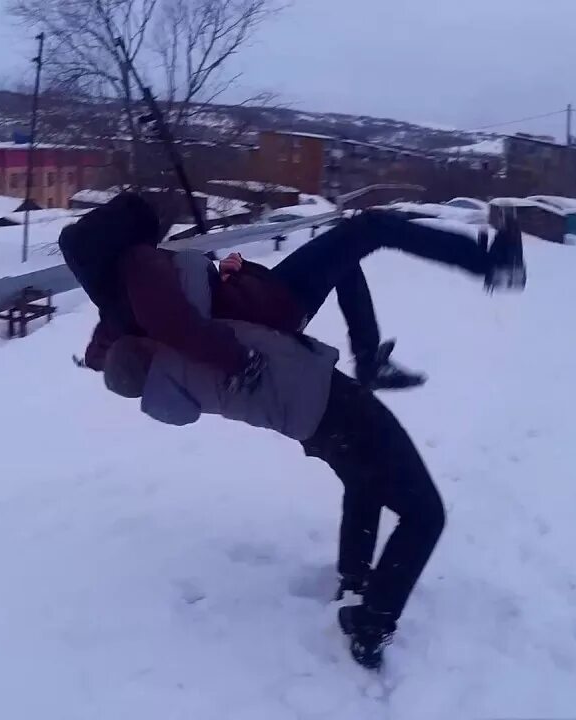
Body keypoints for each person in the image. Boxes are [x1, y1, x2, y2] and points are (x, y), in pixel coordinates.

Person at [97, 248, 445, 671]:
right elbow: (188, 269)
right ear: (148, 347)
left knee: (363, 479)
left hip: (314, 424)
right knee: (425, 513)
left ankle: (354, 582)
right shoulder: (195, 342)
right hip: (332, 403)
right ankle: (371, 624)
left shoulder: (178, 383)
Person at [70, 194, 525, 391]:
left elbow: (105, 344)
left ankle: (368, 359)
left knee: (345, 260)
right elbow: (181, 325)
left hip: (265, 296)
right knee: (369, 227)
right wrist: (240, 363)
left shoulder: (117, 293)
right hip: (273, 306)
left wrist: (226, 275)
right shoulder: (140, 266)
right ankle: (494, 265)